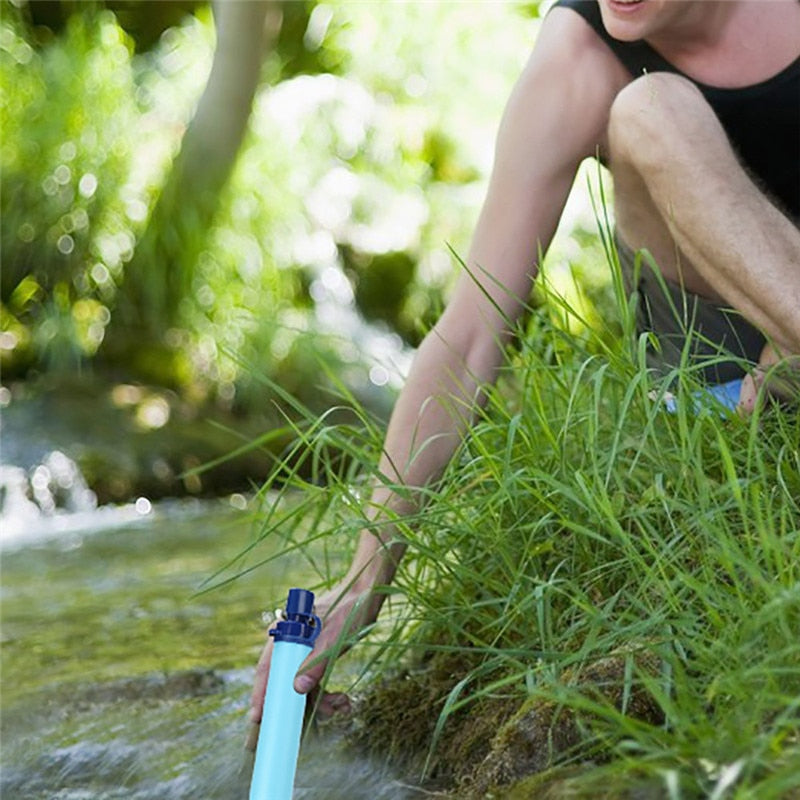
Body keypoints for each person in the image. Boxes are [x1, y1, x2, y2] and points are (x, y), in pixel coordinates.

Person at [250, 0, 800, 726]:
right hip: (728, 407)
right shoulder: (579, 54)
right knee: (649, 109)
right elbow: (472, 333)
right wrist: (361, 584)